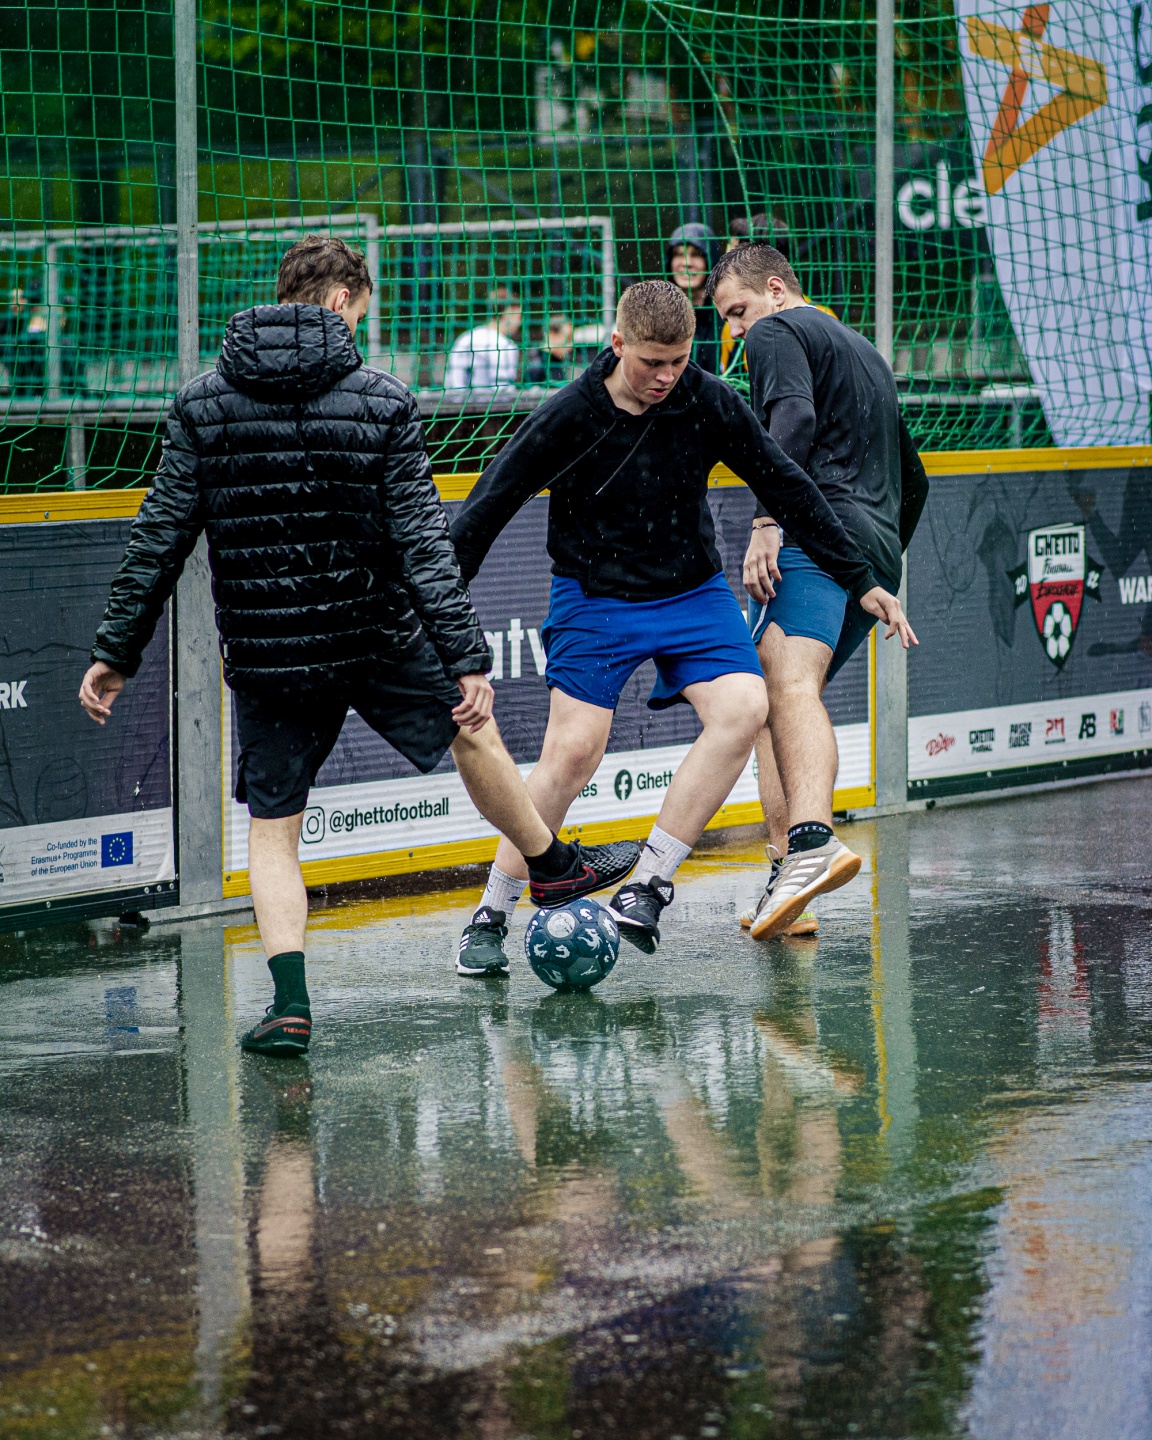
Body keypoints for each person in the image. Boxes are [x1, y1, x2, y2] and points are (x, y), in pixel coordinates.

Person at [79, 235, 639, 1058]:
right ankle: (551, 863)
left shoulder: (201, 403)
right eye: (362, 312)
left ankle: (290, 1006)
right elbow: (422, 542)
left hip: (271, 652)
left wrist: (116, 652)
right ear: (342, 300)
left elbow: (159, 536)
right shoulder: (382, 399)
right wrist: (465, 657)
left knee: (274, 832)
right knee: (473, 731)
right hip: (375, 633)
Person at [448, 280, 914, 970]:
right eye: (651, 363)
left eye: (678, 360)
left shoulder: (705, 398)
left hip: (692, 593)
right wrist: (439, 620)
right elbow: (484, 511)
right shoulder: (569, 415)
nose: (666, 377)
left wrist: (862, 579)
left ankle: (649, 886)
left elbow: (785, 482)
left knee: (746, 706)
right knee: (572, 751)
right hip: (595, 597)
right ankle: (490, 913)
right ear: (617, 345)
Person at [707, 242, 928, 941]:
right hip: (872, 546)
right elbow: (916, 478)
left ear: (776, 289)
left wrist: (768, 522)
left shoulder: (777, 332)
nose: (737, 330)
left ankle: (809, 843)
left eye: (738, 310)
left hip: (813, 532)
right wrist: (874, 565)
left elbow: (793, 424)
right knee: (773, 701)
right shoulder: (866, 352)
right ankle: (788, 881)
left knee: (786, 686)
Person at [668, 222, 721, 374]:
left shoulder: (725, 315)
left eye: (696, 254)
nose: (686, 263)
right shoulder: (658, 313)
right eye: (678, 254)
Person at [444, 285, 522, 389]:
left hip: (456, 399)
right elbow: (504, 391)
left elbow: (450, 382)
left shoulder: (465, 338)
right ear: (510, 311)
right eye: (519, 316)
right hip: (487, 399)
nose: (519, 322)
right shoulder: (506, 346)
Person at [525, 314, 574, 385]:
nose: (571, 345)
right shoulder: (537, 365)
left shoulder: (558, 361)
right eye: (568, 339)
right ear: (551, 334)